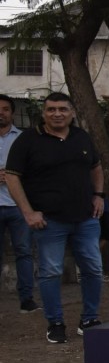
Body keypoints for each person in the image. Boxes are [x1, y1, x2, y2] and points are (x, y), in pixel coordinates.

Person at [4, 91, 104, 343]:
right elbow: (12, 176)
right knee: (51, 272)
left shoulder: (82, 137)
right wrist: (27, 212)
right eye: (51, 109)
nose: (57, 114)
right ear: (43, 113)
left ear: (71, 112)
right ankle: (55, 323)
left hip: (85, 218)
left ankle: (89, 319)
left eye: (62, 109)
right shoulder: (27, 140)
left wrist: (99, 195)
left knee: (93, 268)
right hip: (48, 221)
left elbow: (96, 167)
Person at [0, 94, 34, 312]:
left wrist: (13, 176)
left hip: (18, 206)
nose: (1, 113)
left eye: (5, 109)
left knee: (24, 252)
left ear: (12, 113)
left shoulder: (23, 139)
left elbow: (34, 169)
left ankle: (27, 299)